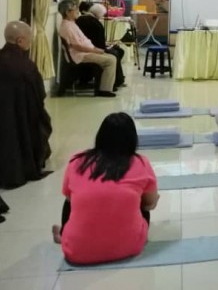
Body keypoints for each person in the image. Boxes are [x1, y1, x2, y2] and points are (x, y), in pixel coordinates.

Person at [52, 113, 159, 265]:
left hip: (76, 251)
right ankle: (126, 234)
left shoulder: (77, 161)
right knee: (141, 201)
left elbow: (69, 198)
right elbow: (150, 203)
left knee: (71, 201)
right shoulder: (140, 163)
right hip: (129, 247)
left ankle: (64, 234)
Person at [0, 21, 52, 189]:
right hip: (18, 120)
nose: (30, 43)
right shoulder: (27, 66)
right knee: (41, 121)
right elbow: (39, 97)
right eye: (29, 39)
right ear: (20, 41)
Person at [58, 0, 118, 97]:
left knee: (112, 57)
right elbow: (77, 46)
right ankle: (104, 90)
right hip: (81, 55)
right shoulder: (67, 27)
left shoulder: (71, 23)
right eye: (75, 9)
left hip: (85, 52)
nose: (77, 11)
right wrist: (95, 50)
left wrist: (95, 49)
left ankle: (105, 87)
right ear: (68, 12)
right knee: (110, 60)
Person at [76, 3, 126, 89]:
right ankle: (116, 81)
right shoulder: (95, 23)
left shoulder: (80, 20)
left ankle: (116, 79)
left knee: (117, 51)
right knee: (116, 52)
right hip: (94, 49)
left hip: (89, 47)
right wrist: (107, 47)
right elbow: (99, 42)